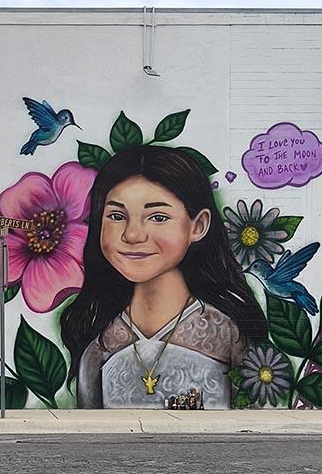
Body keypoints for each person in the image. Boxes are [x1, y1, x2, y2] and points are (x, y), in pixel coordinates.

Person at [60, 145, 266, 409]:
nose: (132, 235)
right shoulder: (100, 341)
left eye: (157, 217)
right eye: (116, 216)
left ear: (198, 226)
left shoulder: (227, 333)